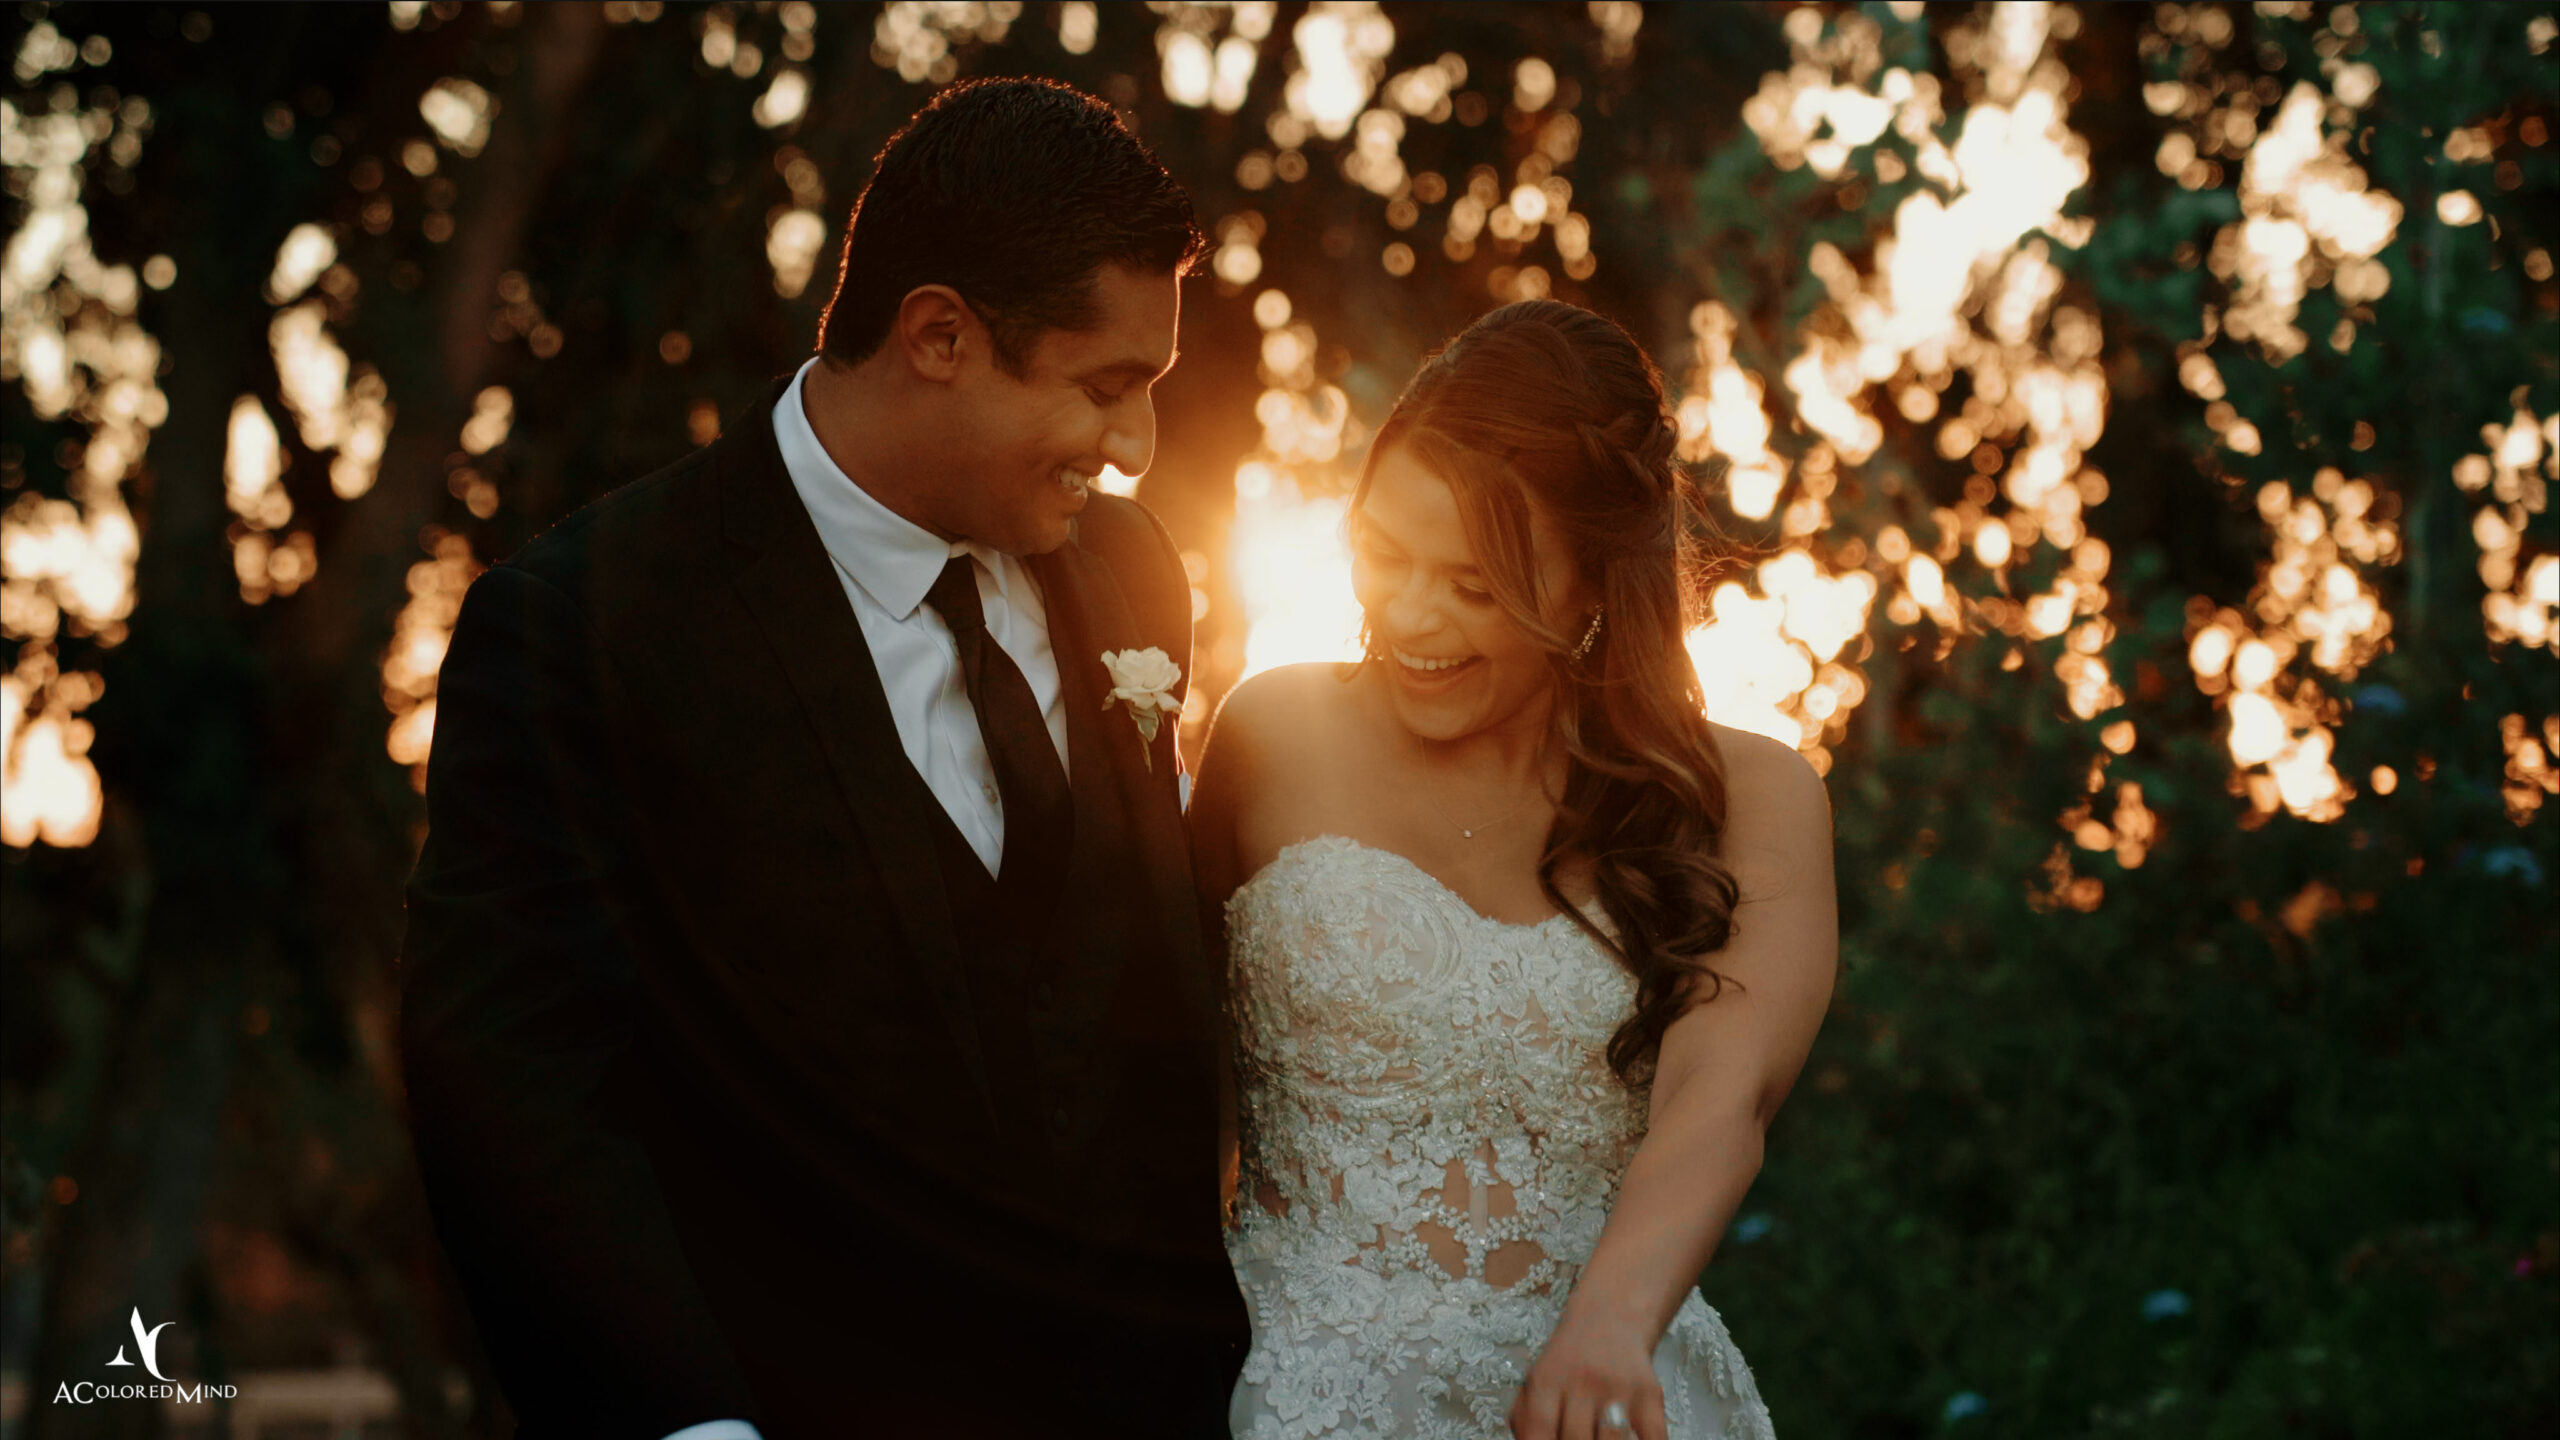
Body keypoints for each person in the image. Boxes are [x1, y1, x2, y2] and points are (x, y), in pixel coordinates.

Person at [400, 78, 1247, 1439]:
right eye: (1107, 388)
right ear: (938, 335)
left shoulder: (1136, 577)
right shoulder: (585, 627)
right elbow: (516, 1094)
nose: (1137, 450)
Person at [1193, 300, 1837, 1440]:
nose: (1410, 614)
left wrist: (1611, 1321)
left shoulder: (1752, 797)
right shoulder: (1270, 735)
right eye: (1383, 553)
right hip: (1296, 1393)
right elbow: (1166, 1081)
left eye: (1477, 584)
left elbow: (1719, 1095)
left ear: (1593, 587)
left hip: (1609, 1389)